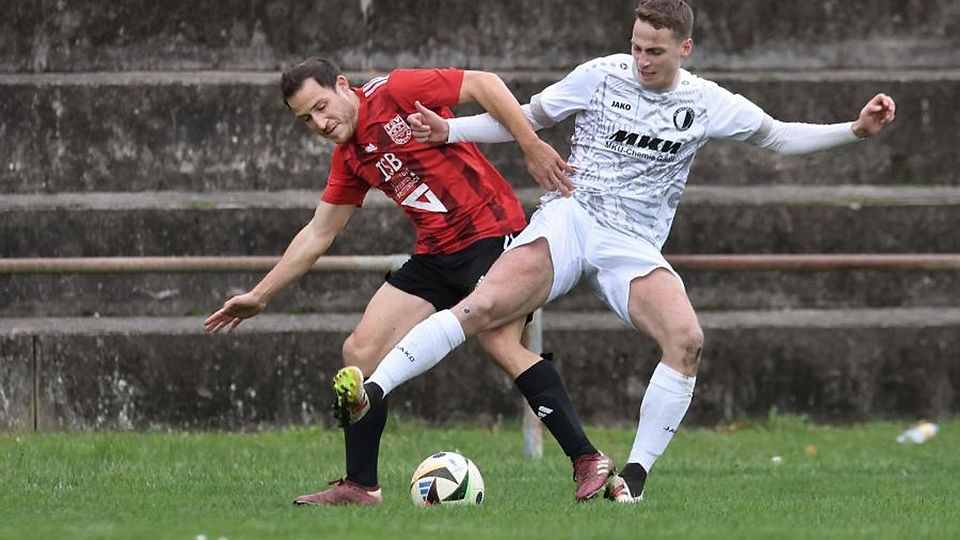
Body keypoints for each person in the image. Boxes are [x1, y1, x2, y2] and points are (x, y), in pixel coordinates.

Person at [334, 0, 896, 504]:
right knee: (480, 309)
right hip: (572, 217)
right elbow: (529, 116)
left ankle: (634, 478)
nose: (642, 60)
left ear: (684, 48)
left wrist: (856, 130)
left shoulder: (706, 103)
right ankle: (373, 389)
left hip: (632, 243)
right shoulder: (601, 76)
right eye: (636, 47)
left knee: (687, 341)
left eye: (655, 50)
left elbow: (775, 135)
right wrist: (451, 133)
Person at [203, 57, 613, 506]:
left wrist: (529, 144)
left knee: (499, 343)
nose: (319, 122)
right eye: (306, 118)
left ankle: (586, 459)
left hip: (492, 234)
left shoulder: (395, 92)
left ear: (343, 86)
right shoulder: (349, 158)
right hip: (435, 253)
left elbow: (483, 83)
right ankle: (361, 486)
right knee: (359, 352)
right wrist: (260, 296)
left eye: (322, 106)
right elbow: (319, 233)